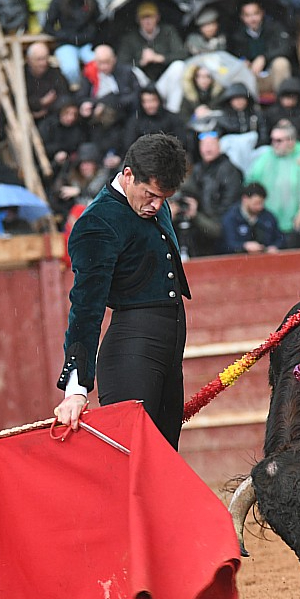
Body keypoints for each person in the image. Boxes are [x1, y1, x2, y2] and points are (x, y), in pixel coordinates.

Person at [54, 133, 190, 448]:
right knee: (133, 468)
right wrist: (76, 389)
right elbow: (85, 308)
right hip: (132, 356)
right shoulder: (97, 223)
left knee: (163, 464)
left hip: (167, 356)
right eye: (151, 194)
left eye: (165, 197)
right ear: (127, 175)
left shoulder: (151, 200)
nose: (157, 205)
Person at [222, 182, 283, 254]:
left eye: (262, 203)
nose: (259, 207)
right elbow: (228, 243)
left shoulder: (268, 217)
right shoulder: (231, 218)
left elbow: (280, 238)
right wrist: (244, 246)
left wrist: (274, 246)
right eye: (256, 203)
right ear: (245, 199)